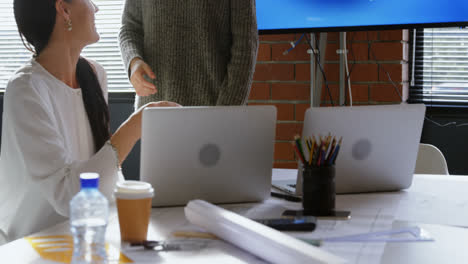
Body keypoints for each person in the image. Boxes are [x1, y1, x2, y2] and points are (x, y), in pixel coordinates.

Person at [0, 0, 180, 243]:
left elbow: (103, 169)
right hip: (34, 242)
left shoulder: (94, 74)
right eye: (89, 0)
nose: (96, 8)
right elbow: (69, 196)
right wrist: (135, 125)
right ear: (64, 10)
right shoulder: (26, 89)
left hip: (87, 234)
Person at [119, 0, 259, 108]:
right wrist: (134, 61)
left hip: (214, 111)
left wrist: (225, 112)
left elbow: (245, 46)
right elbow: (129, 28)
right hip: (154, 112)